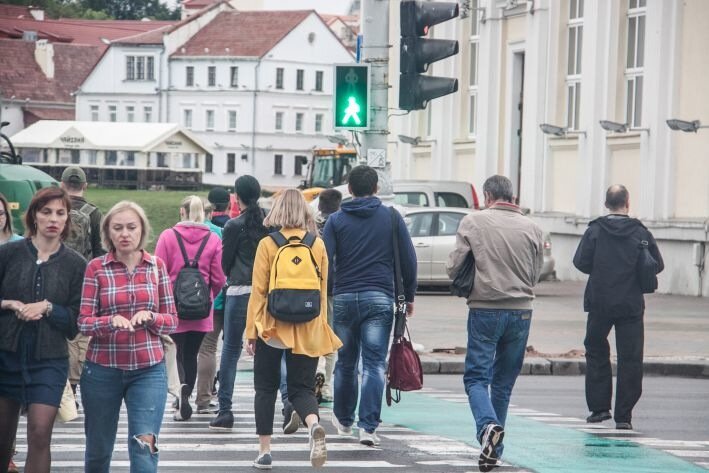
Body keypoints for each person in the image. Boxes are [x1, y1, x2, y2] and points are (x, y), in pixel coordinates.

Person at [446, 175, 544, 472]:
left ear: (487, 195)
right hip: (522, 311)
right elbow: (536, 273)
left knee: (476, 378)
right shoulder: (533, 227)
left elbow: (454, 266)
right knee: (503, 383)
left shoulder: (473, 222)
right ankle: (495, 449)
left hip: (485, 309)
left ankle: (488, 428)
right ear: (512, 196)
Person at [78, 201, 178, 473]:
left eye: (131, 227)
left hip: (148, 370)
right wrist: (110, 321)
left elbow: (171, 320)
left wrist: (152, 317)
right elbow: (84, 322)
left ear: (142, 230)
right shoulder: (96, 268)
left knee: (144, 449)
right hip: (101, 370)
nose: (125, 234)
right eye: (117, 228)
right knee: (98, 451)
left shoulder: (156, 266)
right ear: (108, 233)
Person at [246, 188, 342, 469]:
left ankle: (265, 451)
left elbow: (258, 293)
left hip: (272, 327)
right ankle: (313, 426)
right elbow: (323, 292)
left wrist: (251, 332)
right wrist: (320, 327)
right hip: (307, 325)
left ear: (277, 212)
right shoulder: (317, 244)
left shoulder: (268, 244)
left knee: (265, 388)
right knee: (302, 389)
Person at [322, 165, 417, 446]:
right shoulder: (391, 218)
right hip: (380, 297)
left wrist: (331, 292)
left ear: (348, 189)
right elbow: (409, 260)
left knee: (345, 363)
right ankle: (368, 427)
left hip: (344, 299)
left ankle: (343, 421)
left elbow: (325, 261)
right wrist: (408, 297)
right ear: (376, 188)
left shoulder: (336, 221)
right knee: (374, 365)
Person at [0, 187, 87, 473]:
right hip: (5, 356)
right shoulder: (9, 253)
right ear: (34, 216)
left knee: (39, 434)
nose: (53, 218)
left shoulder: (76, 265)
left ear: (67, 219)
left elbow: (76, 322)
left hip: (49, 360)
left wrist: (48, 307)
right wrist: (7, 303)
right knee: (1, 439)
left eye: (60, 213)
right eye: (46, 211)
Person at [573, 184, 664, 431]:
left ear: (606, 204)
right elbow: (658, 265)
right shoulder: (641, 232)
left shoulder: (595, 231)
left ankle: (599, 408)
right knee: (630, 358)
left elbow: (580, 262)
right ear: (628, 202)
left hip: (600, 302)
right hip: (631, 305)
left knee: (595, 348)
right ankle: (624, 416)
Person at [155, 196, 225, 421]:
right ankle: (185, 396)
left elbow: (157, 271)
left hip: (173, 305)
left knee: (176, 352)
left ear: (182, 212)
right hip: (202, 308)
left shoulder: (168, 236)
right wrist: (209, 294)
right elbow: (220, 277)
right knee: (192, 354)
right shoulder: (213, 239)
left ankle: (180, 398)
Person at [210, 175, 269, 430]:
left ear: (237, 196)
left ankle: (225, 410)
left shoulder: (233, 226)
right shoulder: (269, 222)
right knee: (273, 350)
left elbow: (225, 263)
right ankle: (290, 403)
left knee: (231, 351)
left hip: (238, 292)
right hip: (265, 294)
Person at [59, 165, 106, 407]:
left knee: (57, 333)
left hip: (56, 278)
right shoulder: (94, 213)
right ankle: (74, 390)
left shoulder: (56, 211)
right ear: (85, 186)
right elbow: (100, 252)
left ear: (62, 185)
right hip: (85, 280)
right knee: (81, 336)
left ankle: (60, 389)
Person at [195, 198, 224, 414]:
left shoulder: (174, 234)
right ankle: (204, 397)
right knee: (208, 348)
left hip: (183, 299)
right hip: (213, 300)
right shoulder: (217, 233)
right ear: (210, 212)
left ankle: (181, 395)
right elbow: (221, 271)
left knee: (184, 350)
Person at [314, 188, 342, 403]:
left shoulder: (311, 225)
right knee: (331, 339)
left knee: (311, 335)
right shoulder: (342, 224)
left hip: (310, 289)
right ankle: (327, 386)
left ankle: (315, 372)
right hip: (334, 289)